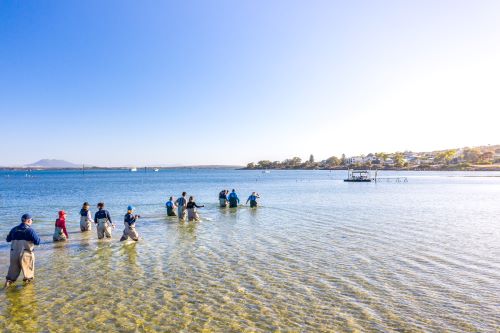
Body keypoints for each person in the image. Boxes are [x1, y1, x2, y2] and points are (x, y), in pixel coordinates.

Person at [4, 213, 41, 288]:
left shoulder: (14, 229)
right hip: (26, 254)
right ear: (28, 220)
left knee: (11, 276)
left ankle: (5, 289)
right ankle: (26, 293)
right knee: (28, 275)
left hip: (14, 253)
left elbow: (8, 239)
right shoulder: (30, 230)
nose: (32, 221)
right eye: (31, 220)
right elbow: (38, 242)